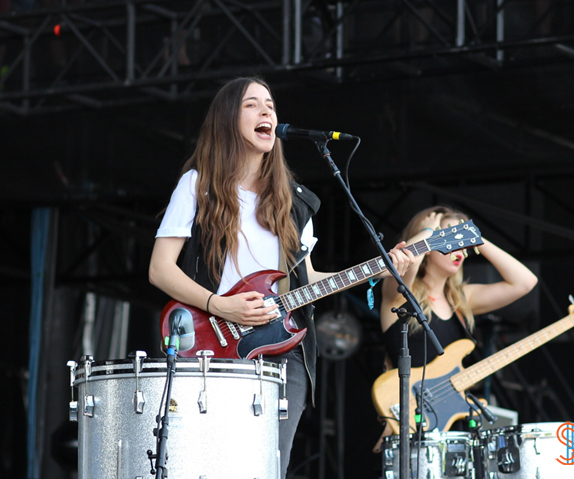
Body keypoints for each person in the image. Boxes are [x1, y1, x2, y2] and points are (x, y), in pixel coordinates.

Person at [148, 76, 414, 478]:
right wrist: (218, 304)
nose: (267, 111)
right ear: (226, 120)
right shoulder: (198, 184)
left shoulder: (295, 201)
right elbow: (159, 268)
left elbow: (306, 280)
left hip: (282, 354)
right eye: (252, 105)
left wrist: (380, 269)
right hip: (211, 344)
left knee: (267, 468)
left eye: (270, 105)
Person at [376, 205, 537, 443]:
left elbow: (525, 282)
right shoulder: (398, 293)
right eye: (448, 237)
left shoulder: (462, 299)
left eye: (459, 239)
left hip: (453, 425)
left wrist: (475, 236)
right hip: (411, 424)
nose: (457, 246)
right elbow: (404, 264)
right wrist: (428, 234)